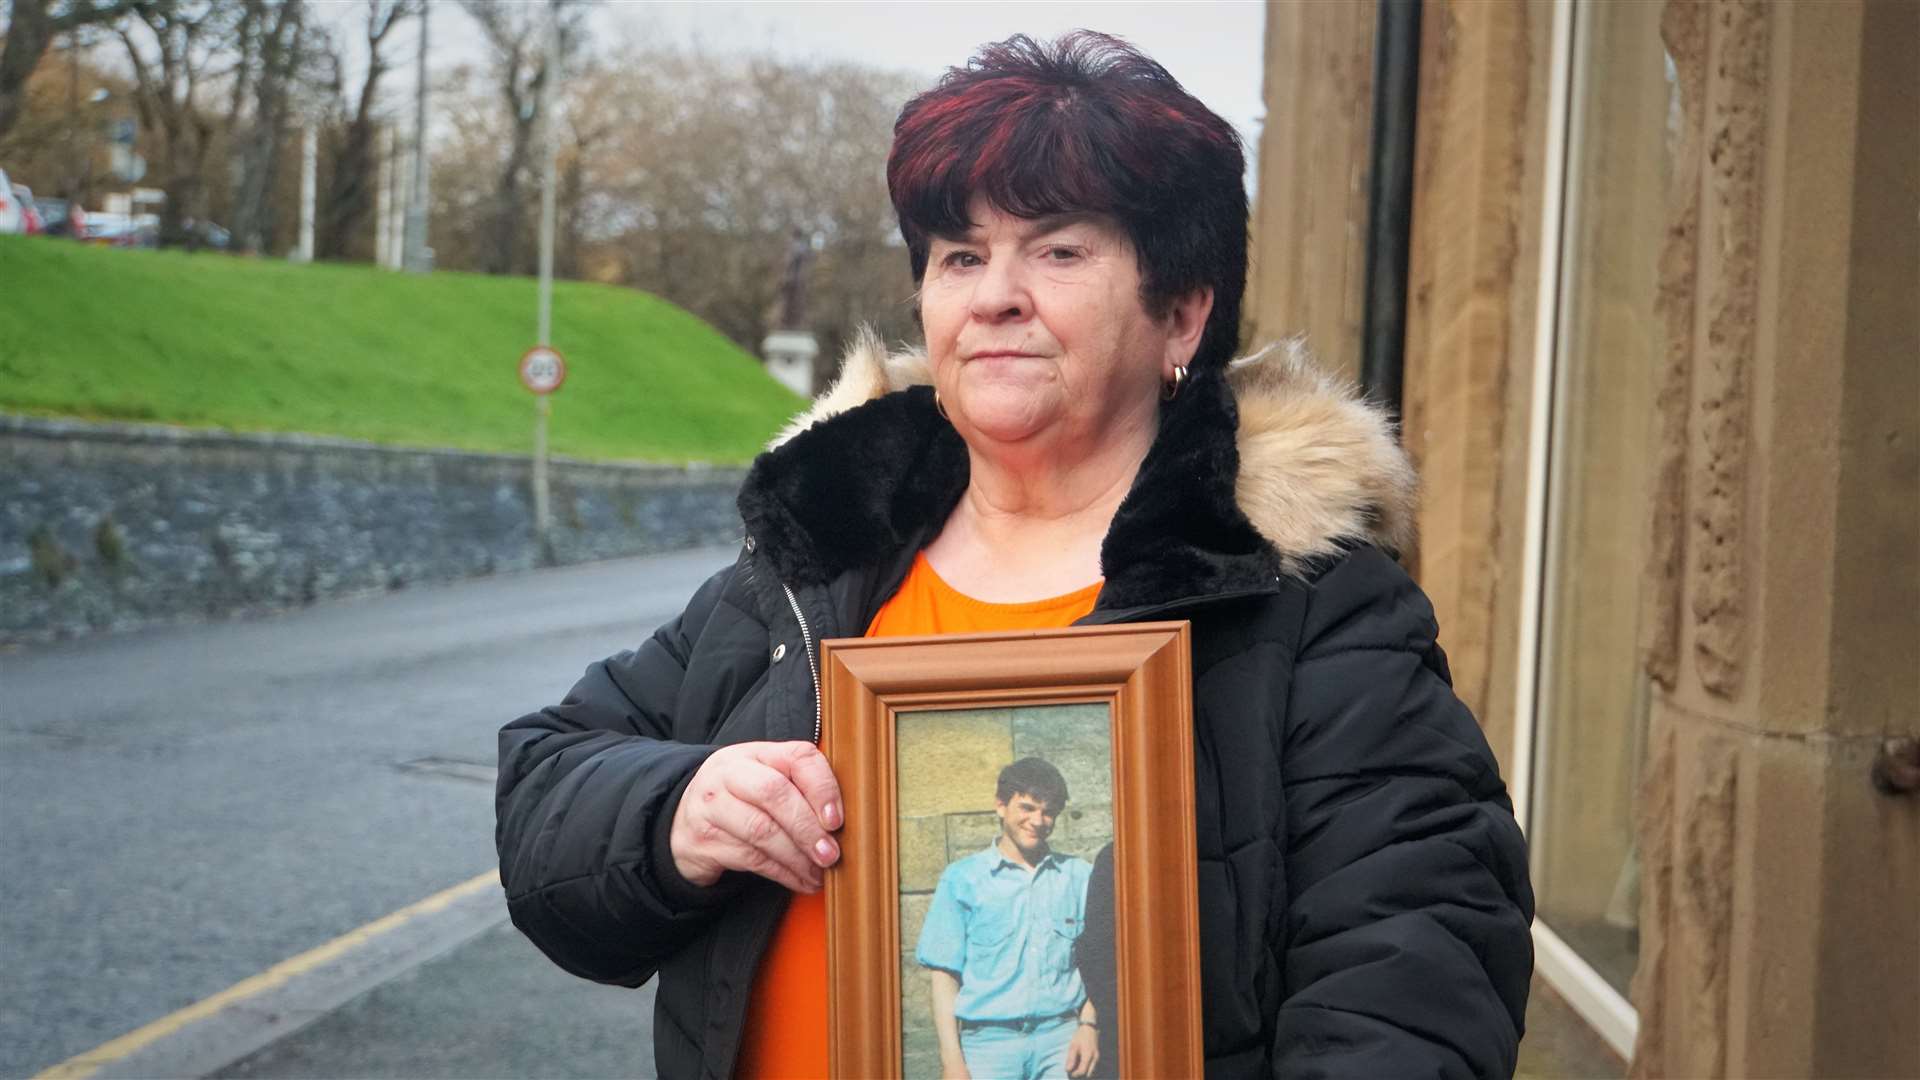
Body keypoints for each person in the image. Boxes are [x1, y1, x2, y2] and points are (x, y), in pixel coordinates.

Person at [495, 30, 1534, 1079]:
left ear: (1181, 313)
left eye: (1058, 250)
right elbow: (547, 785)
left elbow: (1415, 985)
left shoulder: (1319, 617)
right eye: (959, 256)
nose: (993, 295)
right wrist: (677, 812)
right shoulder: (815, 568)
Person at [916, 758, 1099, 1080]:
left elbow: (1100, 962)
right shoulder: (962, 880)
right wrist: (952, 1062)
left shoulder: (1080, 877)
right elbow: (944, 976)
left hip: (1062, 1041)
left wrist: (1088, 1025)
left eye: (1048, 812)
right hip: (987, 1047)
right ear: (1001, 806)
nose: (1038, 821)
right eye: (1027, 807)